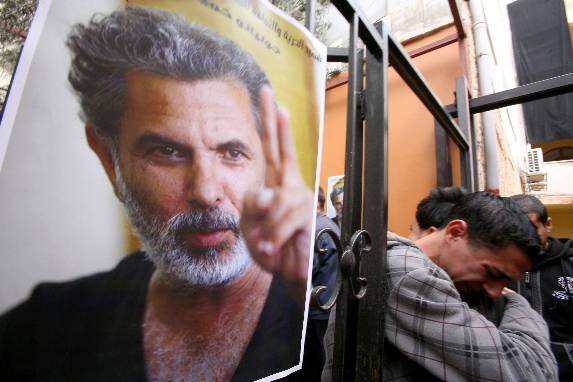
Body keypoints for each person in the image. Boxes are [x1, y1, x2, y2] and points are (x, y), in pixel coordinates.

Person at [0, 6, 313, 381]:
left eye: (232, 152)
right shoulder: (42, 333)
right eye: (167, 152)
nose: (207, 192)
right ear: (108, 158)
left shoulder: (320, 302)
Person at [322, 192, 558, 381]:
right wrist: (518, 303)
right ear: (455, 232)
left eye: (506, 282)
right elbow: (531, 374)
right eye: (492, 273)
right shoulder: (410, 274)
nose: (496, 291)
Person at [510, 194, 573, 381]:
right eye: (514, 231)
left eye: (531, 229)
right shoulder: (497, 270)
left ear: (548, 225)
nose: (523, 238)